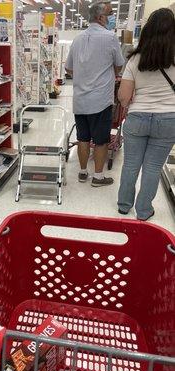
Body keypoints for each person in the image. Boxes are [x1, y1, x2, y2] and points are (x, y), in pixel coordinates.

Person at [118, 8, 175, 221]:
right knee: (152, 168)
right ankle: (143, 211)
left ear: (148, 31)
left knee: (131, 165)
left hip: (138, 117)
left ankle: (124, 205)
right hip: (169, 119)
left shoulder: (135, 59)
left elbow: (124, 96)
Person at [65, 1, 124, 187]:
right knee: (101, 141)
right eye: (110, 13)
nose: (112, 17)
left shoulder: (78, 38)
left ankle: (83, 173)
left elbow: (69, 68)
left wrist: (84, 76)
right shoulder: (110, 37)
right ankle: (98, 177)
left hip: (80, 99)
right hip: (100, 101)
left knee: (82, 137)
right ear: (100, 17)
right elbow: (119, 65)